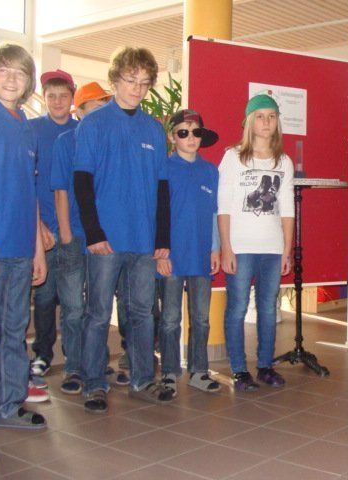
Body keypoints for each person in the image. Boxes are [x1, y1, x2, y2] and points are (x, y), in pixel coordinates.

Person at [74, 47, 174, 413]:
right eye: (131, 80)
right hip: (106, 240)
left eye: (145, 83)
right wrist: (93, 232)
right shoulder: (93, 125)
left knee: (143, 312)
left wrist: (162, 238)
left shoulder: (153, 129)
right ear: (115, 79)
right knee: (98, 313)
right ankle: (94, 384)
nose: (137, 89)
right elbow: (82, 183)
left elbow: (162, 189)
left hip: (143, 241)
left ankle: (143, 379)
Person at [0, 43, 47, 429]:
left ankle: (6, 406)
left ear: (28, 82)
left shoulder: (26, 126)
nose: (11, 79)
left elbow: (31, 191)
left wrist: (37, 249)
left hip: (21, 249)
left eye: (20, 73)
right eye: (4, 70)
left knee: (12, 331)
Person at [218, 94, 294, 391]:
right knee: (237, 308)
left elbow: (287, 210)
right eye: (260, 116)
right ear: (249, 121)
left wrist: (286, 250)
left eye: (272, 116)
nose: (266, 122)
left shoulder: (283, 161)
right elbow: (224, 206)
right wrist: (226, 247)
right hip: (240, 246)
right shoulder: (233, 157)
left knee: (268, 309)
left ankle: (265, 366)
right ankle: (239, 370)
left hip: (272, 248)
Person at [51, 82, 111, 395]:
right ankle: (74, 367)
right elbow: (60, 190)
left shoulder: (109, 141)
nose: (101, 114)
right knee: (73, 306)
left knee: (98, 307)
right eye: (95, 108)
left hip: (101, 236)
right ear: (80, 112)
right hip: (74, 235)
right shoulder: (66, 141)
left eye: (104, 108)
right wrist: (64, 233)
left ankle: (95, 363)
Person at [157, 109, 221, 396]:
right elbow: (155, 214)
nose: (190, 138)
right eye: (183, 132)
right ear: (173, 137)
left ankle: (199, 370)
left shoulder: (210, 171)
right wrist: (160, 254)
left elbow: (215, 213)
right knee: (171, 318)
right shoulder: (163, 169)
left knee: (201, 318)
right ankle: (170, 372)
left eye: (196, 132)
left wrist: (215, 248)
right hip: (172, 256)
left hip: (201, 254)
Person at [29, 69, 78, 379]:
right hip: (42, 230)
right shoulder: (32, 130)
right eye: (51, 96)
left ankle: (76, 357)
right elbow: (25, 181)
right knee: (45, 296)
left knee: (75, 301)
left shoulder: (83, 131)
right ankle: (43, 354)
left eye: (63, 96)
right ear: (44, 98)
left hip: (76, 230)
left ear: (72, 98)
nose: (57, 101)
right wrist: (38, 227)